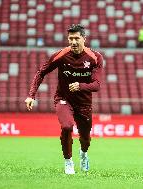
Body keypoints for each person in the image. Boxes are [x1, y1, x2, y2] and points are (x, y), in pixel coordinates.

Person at [25, 24, 103, 175]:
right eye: (70, 38)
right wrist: (31, 95)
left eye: (76, 38)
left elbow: (97, 85)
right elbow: (41, 72)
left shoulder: (95, 57)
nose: (73, 42)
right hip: (63, 99)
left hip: (84, 103)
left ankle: (84, 154)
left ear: (84, 39)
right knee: (67, 126)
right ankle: (68, 161)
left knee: (85, 139)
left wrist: (80, 86)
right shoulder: (60, 55)